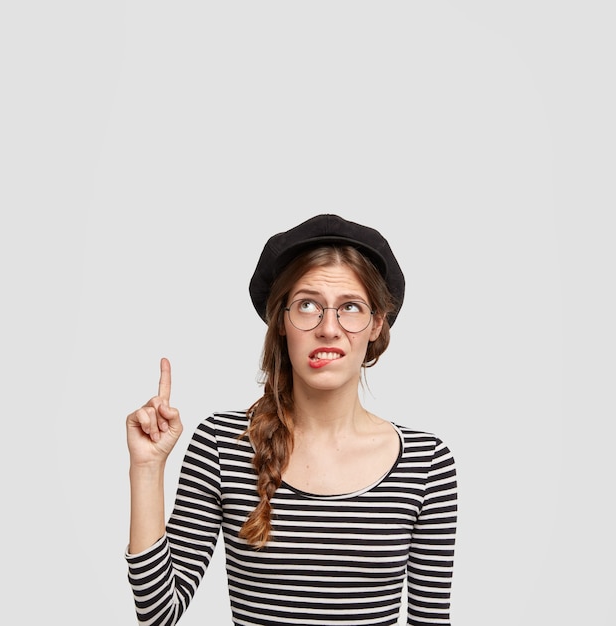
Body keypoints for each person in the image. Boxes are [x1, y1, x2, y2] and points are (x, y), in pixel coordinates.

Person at [125, 214, 458, 626]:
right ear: (281, 320)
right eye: (307, 306)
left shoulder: (427, 462)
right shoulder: (221, 444)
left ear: (376, 324)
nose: (328, 329)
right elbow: (158, 614)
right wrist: (146, 469)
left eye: (350, 308)